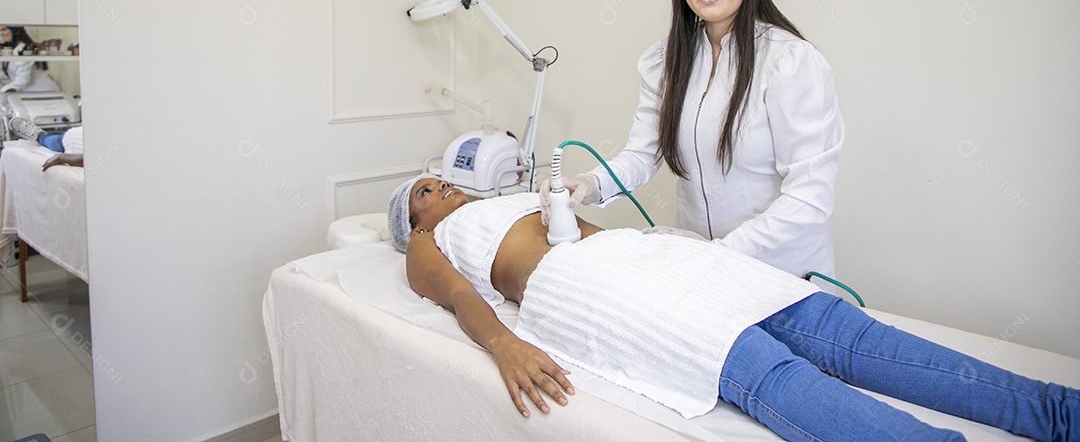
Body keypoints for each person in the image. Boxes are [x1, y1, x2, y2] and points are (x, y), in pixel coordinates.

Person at [389, 175, 1077, 442]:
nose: (442, 185)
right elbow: (453, 296)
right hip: (595, 291)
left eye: (441, 178)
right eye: (425, 188)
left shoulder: (506, 197)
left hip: (653, 256)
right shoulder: (429, 241)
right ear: (412, 220)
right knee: (766, 373)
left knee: (835, 327)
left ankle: (1055, 412)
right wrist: (504, 345)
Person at [542, 0, 843, 279]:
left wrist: (719, 253)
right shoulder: (666, 60)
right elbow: (642, 153)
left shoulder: (790, 62)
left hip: (780, 273)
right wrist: (591, 184)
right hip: (705, 270)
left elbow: (809, 196)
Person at [0, 26, 61, 94]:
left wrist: (2, 91)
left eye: (4, 30)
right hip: (31, 93)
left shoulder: (23, 49)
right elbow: (10, 72)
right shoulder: (14, 49)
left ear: (15, 31)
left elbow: (22, 80)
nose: (1, 33)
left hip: (43, 92)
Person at [8, 117, 83, 169]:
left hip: (74, 144)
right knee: (48, 140)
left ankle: (41, 136)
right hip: (75, 137)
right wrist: (61, 157)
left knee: (52, 141)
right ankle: (39, 135)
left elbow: (88, 159)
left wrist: (62, 157)